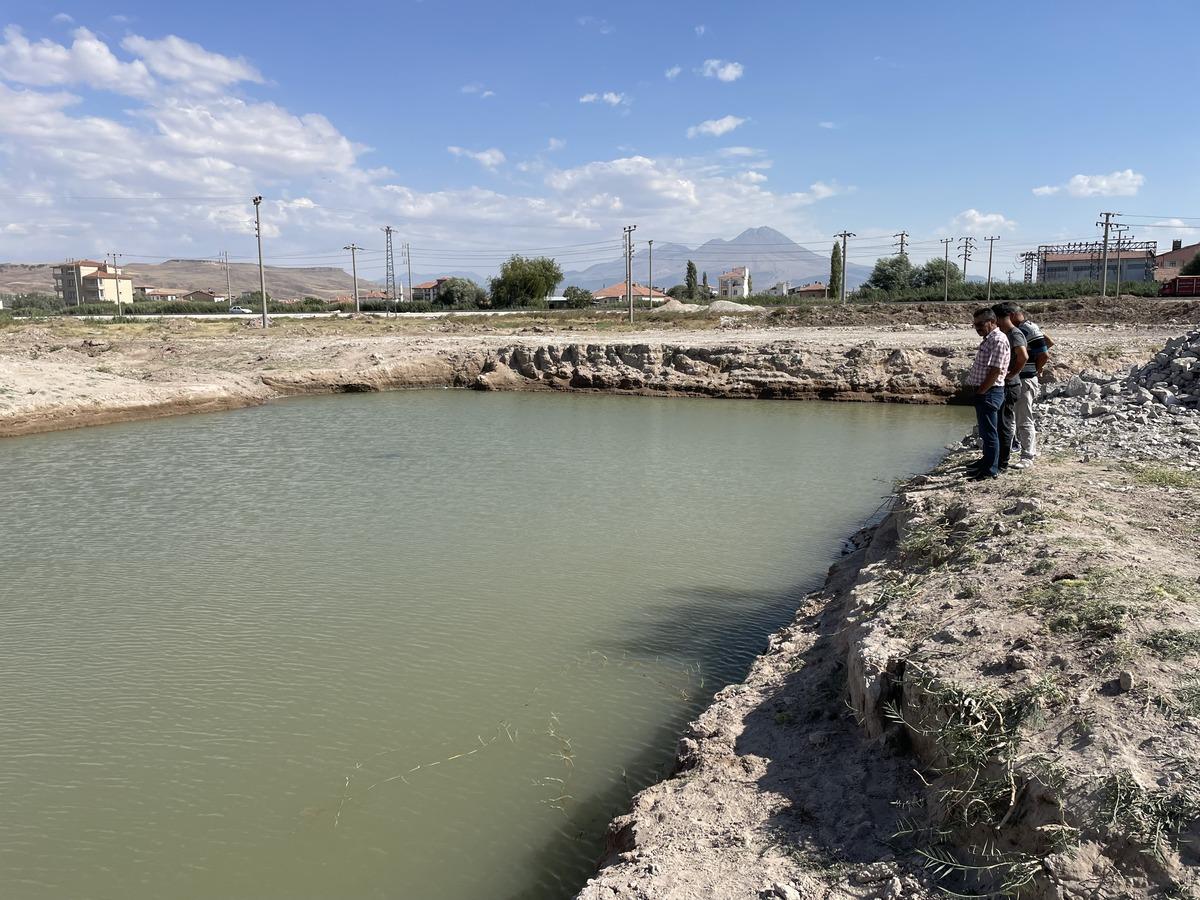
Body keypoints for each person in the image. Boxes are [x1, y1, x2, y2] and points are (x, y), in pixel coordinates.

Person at [965, 307, 1010, 481]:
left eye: (980, 324)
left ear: (992, 322)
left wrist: (981, 391)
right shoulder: (989, 339)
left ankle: (990, 471)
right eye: (974, 324)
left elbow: (995, 371)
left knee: (990, 434)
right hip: (986, 391)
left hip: (989, 392)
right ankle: (986, 464)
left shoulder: (997, 340)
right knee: (986, 432)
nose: (977, 327)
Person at [1008, 305, 1052, 469]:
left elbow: (1045, 353)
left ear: (1011, 315)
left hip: (1025, 379)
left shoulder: (1027, 328)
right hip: (1019, 378)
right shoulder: (1025, 328)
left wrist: (1035, 368)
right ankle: (1014, 447)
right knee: (1013, 416)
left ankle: (1028, 455)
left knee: (1024, 418)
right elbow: (1048, 342)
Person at [991, 303, 1029, 472]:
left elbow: (1023, 356)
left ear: (999, 318)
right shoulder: (1007, 333)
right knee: (1000, 423)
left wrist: (1012, 373)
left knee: (1005, 425)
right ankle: (997, 460)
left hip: (1010, 385)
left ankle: (1002, 463)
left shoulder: (1014, 334)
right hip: (1005, 384)